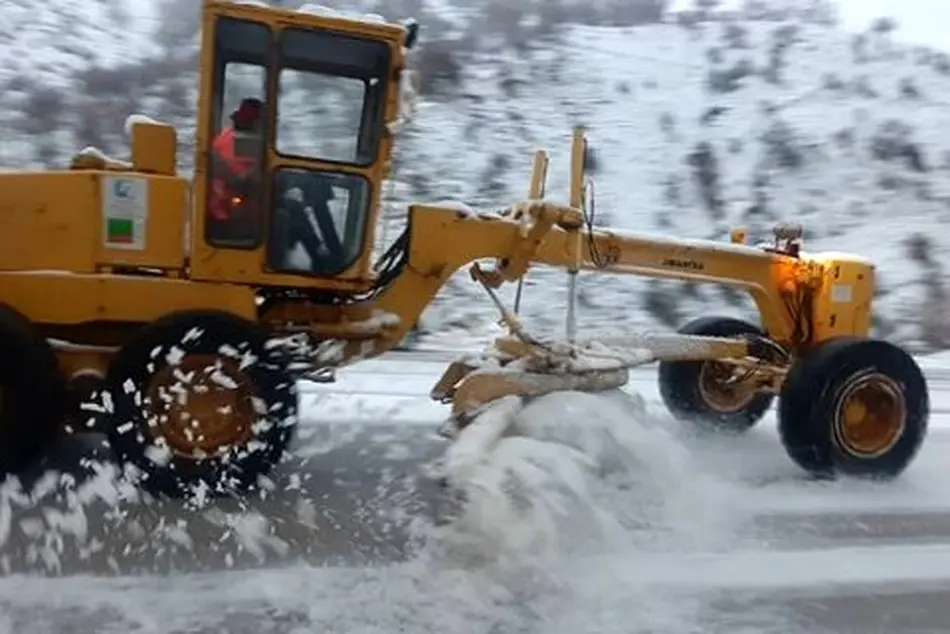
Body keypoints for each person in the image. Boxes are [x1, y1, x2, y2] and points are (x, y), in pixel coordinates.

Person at [208, 98, 265, 236]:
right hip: (232, 211)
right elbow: (242, 177)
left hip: (234, 203)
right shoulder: (248, 143)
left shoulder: (225, 135)